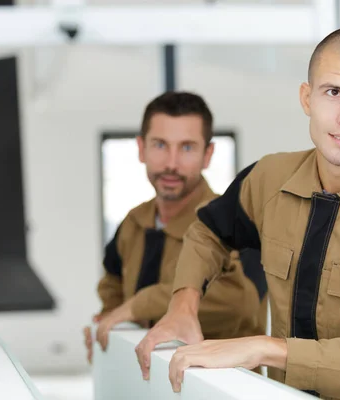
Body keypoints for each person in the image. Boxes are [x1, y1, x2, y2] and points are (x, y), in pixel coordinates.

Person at [134, 27, 340, 400]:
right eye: (333, 92)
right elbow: (208, 232)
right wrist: (184, 303)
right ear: (306, 98)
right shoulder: (269, 178)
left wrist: (263, 348)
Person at [83, 91, 267, 363]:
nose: (171, 163)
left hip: (215, 387)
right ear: (141, 148)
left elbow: (241, 302)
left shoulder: (238, 223)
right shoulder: (133, 221)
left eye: (187, 147)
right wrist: (110, 324)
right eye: (159, 145)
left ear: (208, 154)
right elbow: (112, 282)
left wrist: (141, 304)